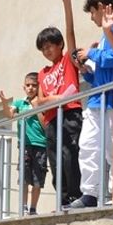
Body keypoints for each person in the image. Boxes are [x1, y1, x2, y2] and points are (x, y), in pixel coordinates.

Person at [60, 0, 113, 209]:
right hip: (97, 99)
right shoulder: (104, 35)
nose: (93, 18)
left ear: (102, 8)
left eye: (93, 12)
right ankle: (90, 194)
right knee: (88, 146)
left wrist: (91, 53)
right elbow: (104, 71)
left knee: (112, 149)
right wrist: (88, 70)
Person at [35, 24, 83, 207]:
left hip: (70, 112)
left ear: (60, 44)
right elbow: (40, 101)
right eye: (43, 48)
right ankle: (62, 198)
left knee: (70, 154)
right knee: (55, 159)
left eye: (49, 46)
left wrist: (67, 5)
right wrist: (57, 98)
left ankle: (75, 195)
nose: (46, 51)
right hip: (52, 118)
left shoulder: (67, 62)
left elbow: (71, 35)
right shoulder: (42, 73)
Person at [0, 74, 49, 215]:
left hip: (40, 144)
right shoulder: (20, 103)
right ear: (24, 87)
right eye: (28, 85)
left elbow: (45, 124)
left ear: (38, 87)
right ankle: (23, 206)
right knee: (24, 177)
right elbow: (10, 115)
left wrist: (36, 107)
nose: (31, 88)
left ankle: (33, 208)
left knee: (38, 179)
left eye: (34, 85)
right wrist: (4, 103)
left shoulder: (42, 102)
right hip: (25, 144)